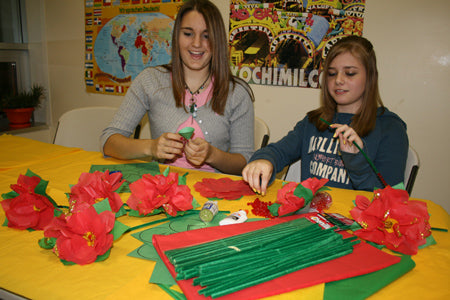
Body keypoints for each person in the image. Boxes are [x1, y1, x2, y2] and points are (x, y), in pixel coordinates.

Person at [101, 0, 255, 175]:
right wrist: (151, 147)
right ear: (176, 36)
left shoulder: (237, 93)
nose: (196, 43)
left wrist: (213, 155)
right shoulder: (150, 81)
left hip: (213, 196)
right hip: (161, 190)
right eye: (188, 33)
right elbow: (109, 142)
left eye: (206, 36)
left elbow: (245, 161)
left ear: (217, 41)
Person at [243, 35, 408, 195]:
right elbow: (278, 151)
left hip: (358, 221)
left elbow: (391, 198)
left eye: (350, 73)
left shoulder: (390, 128)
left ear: (370, 77)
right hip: (312, 219)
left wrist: (356, 161)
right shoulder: (313, 122)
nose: (338, 80)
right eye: (331, 73)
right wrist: (264, 160)